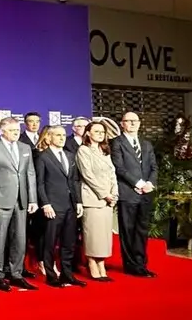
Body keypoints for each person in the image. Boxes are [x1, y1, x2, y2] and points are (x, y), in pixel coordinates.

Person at [0, 116, 38, 292]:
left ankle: (16, 273)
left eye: (17, 130)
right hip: (0, 199)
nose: (16, 133)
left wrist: (33, 199)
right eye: (12, 130)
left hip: (21, 200)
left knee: (20, 239)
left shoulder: (25, 148)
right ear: (2, 131)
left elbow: (30, 174)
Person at [35, 126, 86, 288]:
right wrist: (45, 204)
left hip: (70, 205)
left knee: (69, 242)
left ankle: (67, 274)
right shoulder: (43, 157)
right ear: (49, 138)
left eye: (63, 135)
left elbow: (74, 181)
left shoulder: (70, 155)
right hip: (53, 206)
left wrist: (78, 202)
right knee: (50, 242)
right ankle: (51, 276)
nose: (62, 138)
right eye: (58, 135)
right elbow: (39, 183)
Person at [110, 111, 157, 278]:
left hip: (146, 193)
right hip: (128, 192)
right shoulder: (116, 142)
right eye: (128, 121)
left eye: (135, 121)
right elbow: (119, 168)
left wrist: (150, 183)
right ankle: (131, 266)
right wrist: (138, 184)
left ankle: (141, 264)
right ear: (122, 124)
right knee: (128, 231)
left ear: (139, 123)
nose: (132, 123)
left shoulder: (146, 144)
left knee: (142, 231)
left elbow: (153, 167)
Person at [75, 121, 118, 281]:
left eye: (102, 132)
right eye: (97, 131)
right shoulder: (83, 150)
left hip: (108, 200)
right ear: (88, 133)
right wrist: (104, 194)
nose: (100, 134)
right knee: (93, 235)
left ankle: (102, 264)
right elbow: (87, 175)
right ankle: (92, 263)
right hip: (93, 198)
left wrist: (114, 193)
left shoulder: (104, 150)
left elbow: (112, 173)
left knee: (104, 236)